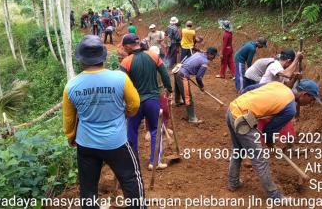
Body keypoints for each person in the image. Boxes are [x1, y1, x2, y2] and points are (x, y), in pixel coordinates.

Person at [63, 35, 145, 209]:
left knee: (88, 189)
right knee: (131, 180)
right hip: (116, 142)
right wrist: (126, 113)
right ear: (104, 56)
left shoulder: (71, 86)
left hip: (86, 144)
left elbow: (69, 119)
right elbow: (135, 104)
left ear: (81, 59)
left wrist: (71, 136)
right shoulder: (119, 78)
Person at [226, 80, 321, 199]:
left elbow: (248, 89)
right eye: (311, 100)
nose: (310, 103)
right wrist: (269, 142)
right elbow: (268, 130)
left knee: (238, 150)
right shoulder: (290, 109)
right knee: (260, 160)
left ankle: (233, 182)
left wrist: (244, 105)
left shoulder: (279, 85)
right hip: (243, 118)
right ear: (304, 95)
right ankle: (275, 196)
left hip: (232, 109)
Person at [120, 34, 173, 170]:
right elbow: (165, 74)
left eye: (123, 47)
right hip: (152, 100)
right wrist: (169, 89)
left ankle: (133, 162)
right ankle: (154, 162)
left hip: (134, 103)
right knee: (156, 129)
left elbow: (121, 84)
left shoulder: (126, 62)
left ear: (127, 46)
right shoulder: (154, 56)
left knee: (131, 131)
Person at [174, 47, 217, 123]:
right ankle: (192, 118)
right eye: (214, 55)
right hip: (183, 74)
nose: (214, 58)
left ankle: (177, 101)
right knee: (188, 97)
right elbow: (198, 77)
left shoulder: (198, 53)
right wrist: (201, 86)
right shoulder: (205, 62)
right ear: (210, 54)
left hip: (177, 69)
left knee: (178, 87)